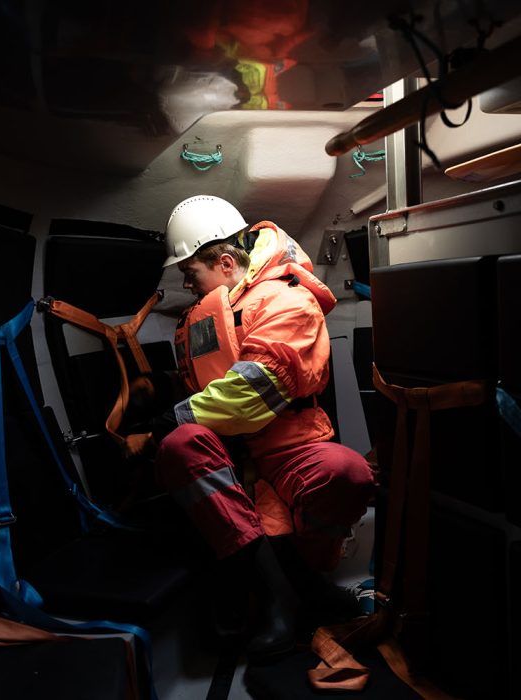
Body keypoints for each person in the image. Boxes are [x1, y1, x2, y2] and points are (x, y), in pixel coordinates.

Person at [150, 194, 376, 660]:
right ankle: (276, 591)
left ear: (225, 263)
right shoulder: (199, 317)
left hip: (288, 444)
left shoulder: (287, 300)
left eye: (190, 272)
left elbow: (255, 393)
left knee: (348, 472)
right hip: (226, 447)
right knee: (181, 445)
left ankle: (309, 576)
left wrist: (175, 415)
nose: (188, 285)